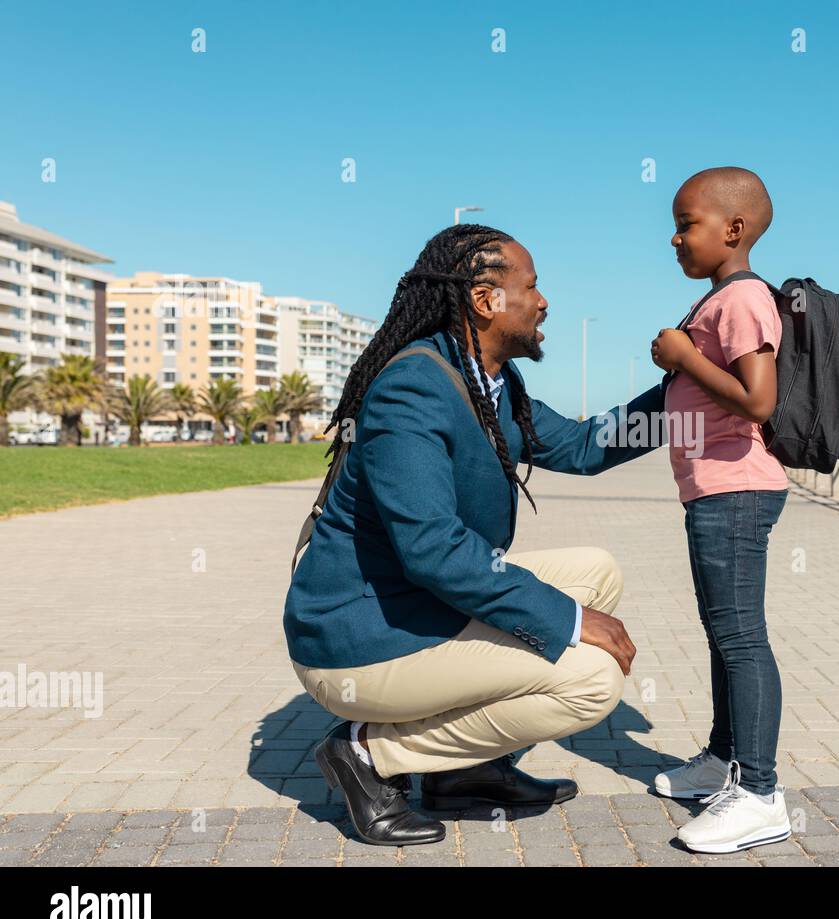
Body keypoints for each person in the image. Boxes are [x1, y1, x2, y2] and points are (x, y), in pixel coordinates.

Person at [285, 224, 664, 846]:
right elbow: (432, 549)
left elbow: (586, 444)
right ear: (486, 300)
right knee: (591, 679)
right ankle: (367, 754)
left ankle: (463, 773)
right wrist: (566, 620)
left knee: (597, 570)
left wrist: (686, 387)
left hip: (417, 603)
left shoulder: (490, 383)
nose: (545, 303)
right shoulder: (414, 387)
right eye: (533, 287)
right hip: (356, 638)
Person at [649, 167, 791, 853]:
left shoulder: (743, 299)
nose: (674, 238)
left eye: (687, 224)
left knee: (740, 636)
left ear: (733, 230)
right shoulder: (717, 303)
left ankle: (760, 793)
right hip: (712, 488)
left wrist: (681, 354)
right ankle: (720, 758)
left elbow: (756, 399)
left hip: (737, 487)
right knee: (721, 632)